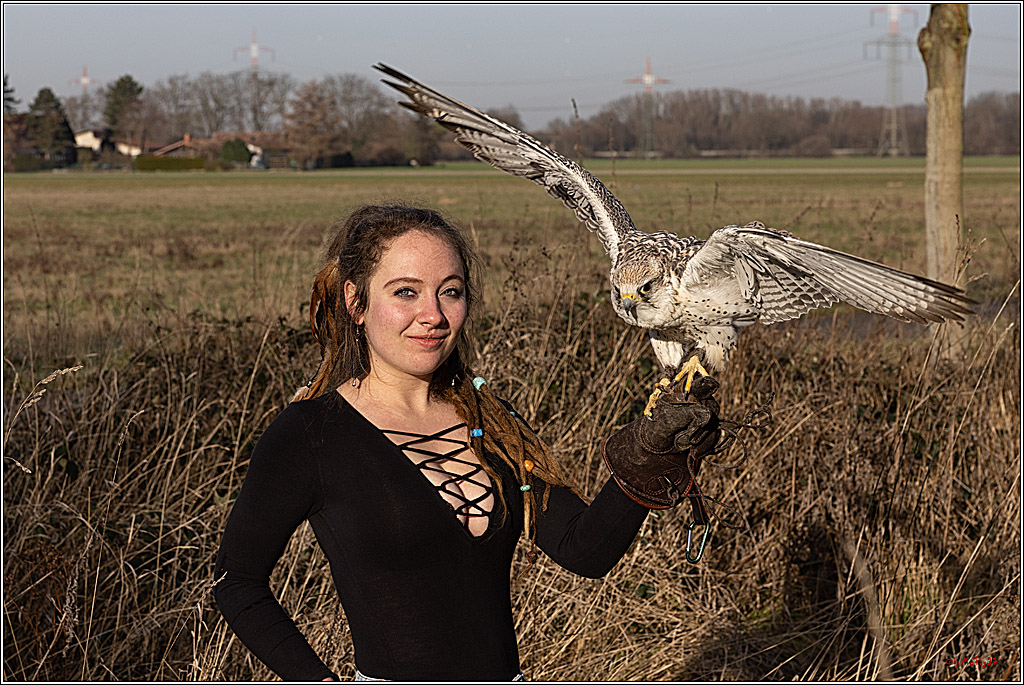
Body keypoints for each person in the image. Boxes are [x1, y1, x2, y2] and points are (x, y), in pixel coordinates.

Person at [213, 204, 722, 681]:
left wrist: (652, 455)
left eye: (450, 291)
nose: (432, 314)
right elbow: (237, 582)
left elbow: (583, 551)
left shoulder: (491, 422)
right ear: (356, 302)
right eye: (406, 292)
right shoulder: (310, 433)